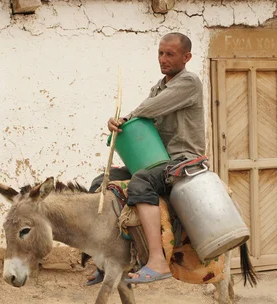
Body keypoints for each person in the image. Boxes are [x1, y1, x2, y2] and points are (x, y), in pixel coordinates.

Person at [87, 32, 205, 285]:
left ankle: (158, 262)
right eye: (160, 53)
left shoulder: (189, 82)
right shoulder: (159, 86)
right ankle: (105, 259)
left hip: (182, 161)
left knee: (141, 182)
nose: (163, 59)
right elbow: (143, 114)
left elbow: (148, 109)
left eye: (169, 54)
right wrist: (119, 122)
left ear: (187, 57)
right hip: (158, 160)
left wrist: (125, 118)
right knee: (102, 181)